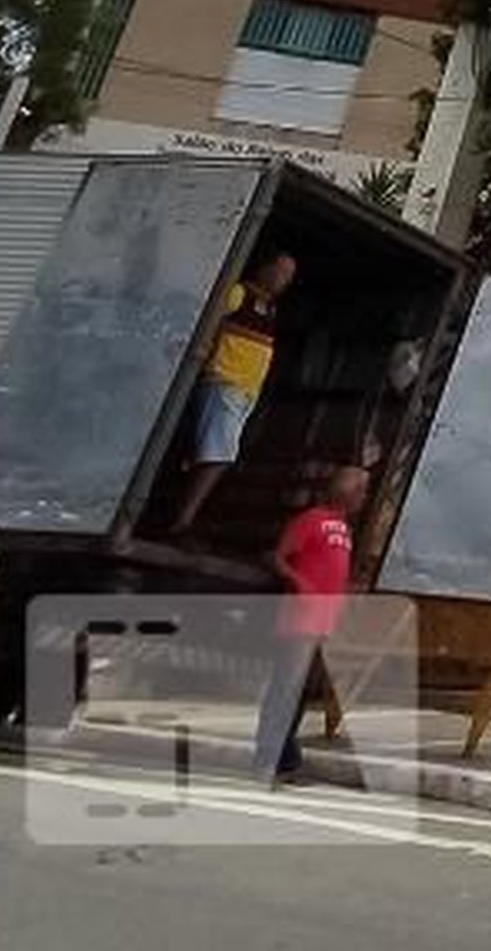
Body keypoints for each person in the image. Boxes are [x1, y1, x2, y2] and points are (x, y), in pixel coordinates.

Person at [168, 251, 296, 535]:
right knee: (219, 454)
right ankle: (184, 520)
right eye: (280, 271)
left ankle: (184, 515)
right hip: (224, 380)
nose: (283, 280)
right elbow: (210, 320)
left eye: (289, 277)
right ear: (263, 268)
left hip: (246, 391)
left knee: (215, 452)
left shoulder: (271, 309)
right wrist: (202, 352)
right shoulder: (238, 293)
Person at [253, 462, 364, 783]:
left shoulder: (344, 530)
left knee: (300, 691)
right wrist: (299, 583)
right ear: (346, 492)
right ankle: (270, 756)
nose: (362, 498)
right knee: (286, 687)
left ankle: (285, 755)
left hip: (323, 621)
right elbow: (278, 557)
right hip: (300, 618)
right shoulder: (311, 521)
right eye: (359, 490)